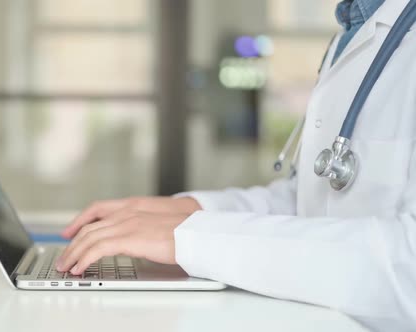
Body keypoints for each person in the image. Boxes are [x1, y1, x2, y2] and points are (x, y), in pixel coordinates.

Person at [56, 0, 416, 330]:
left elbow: (408, 268)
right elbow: (312, 203)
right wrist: (187, 211)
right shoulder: (358, 25)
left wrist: (192, 238)